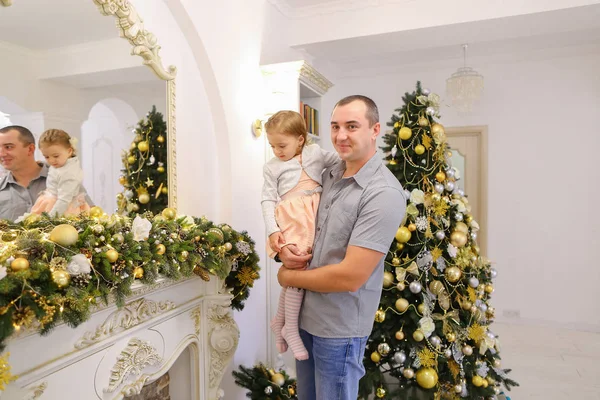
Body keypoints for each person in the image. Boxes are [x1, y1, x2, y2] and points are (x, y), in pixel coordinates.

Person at [276, 96, 406, 399]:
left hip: (339, 328)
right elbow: (302, 224)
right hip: (305, 316)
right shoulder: (329, 173)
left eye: (351, 126)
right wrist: (282, 249)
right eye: (335, 126)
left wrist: (287, 277)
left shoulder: (383, 193)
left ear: (375, 130)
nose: (340, 135)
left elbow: (350, 277)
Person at [262, 110, 339, 361]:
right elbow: (267, 199)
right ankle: (290, 329)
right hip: (292, 218)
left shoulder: (316, 154)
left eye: (281, 145)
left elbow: (340, 163)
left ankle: (281, 322)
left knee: (300, 271)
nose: (277, 151)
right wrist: (273, 230)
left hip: (314, 214)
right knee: (299, 267)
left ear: (301, 139)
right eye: (272, 145)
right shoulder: (272, 167)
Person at [0, 125, 91, 221]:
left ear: (30, 149)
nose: (1, 153)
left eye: (8, 147)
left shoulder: (64, 177)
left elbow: (93, 220)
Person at [28, 129, 90, 217]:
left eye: (56, 156)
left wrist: (51, 218)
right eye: (46, 157)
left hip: (61, 208)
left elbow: (64, 200)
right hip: (51, 200)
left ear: (69, 151)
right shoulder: (61, 163)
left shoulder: (69, 175)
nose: (51, 161)